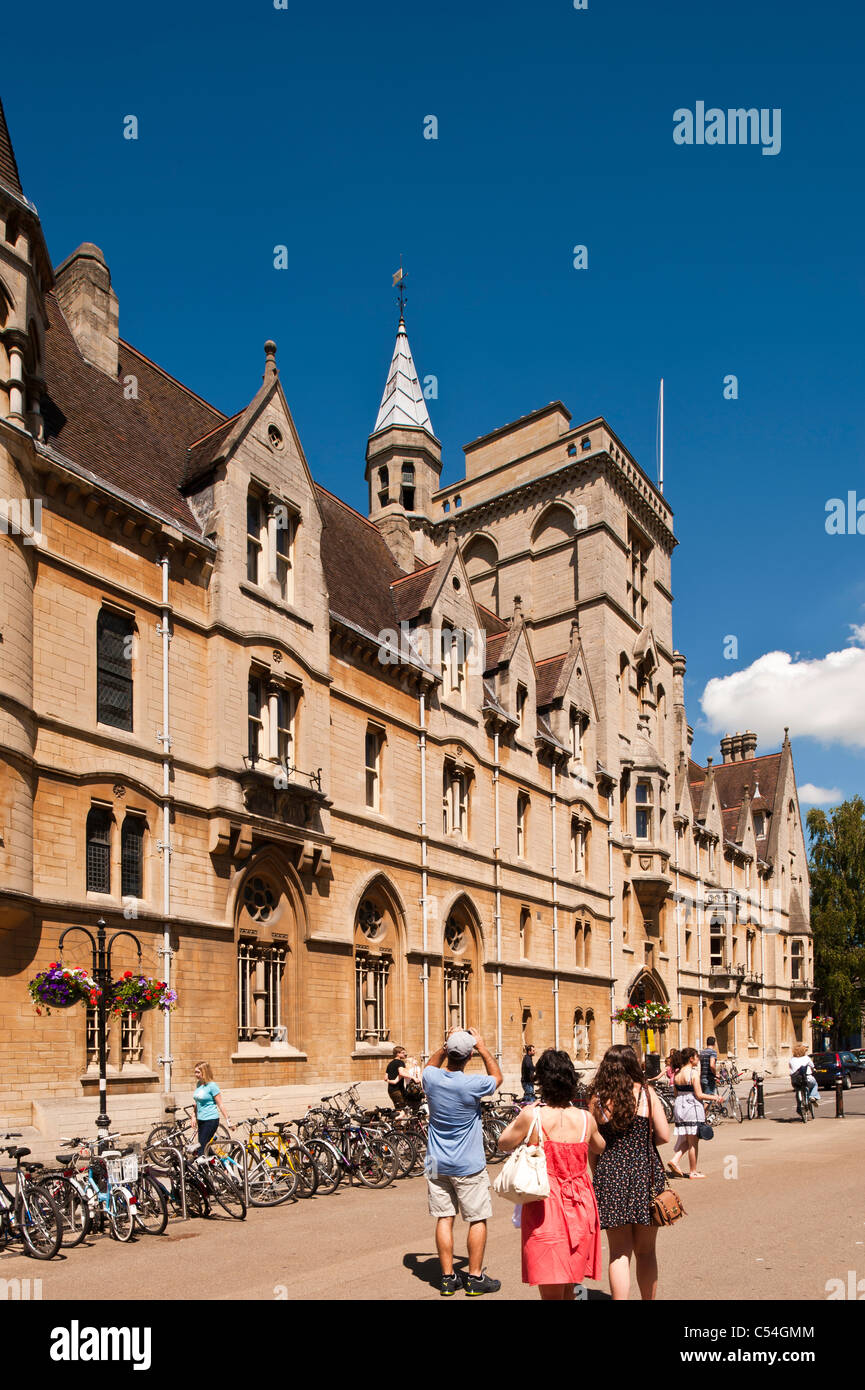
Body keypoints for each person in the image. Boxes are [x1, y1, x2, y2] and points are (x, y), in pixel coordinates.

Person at [499, 1049, 605, 1301]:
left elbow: (504, 1142)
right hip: (580, 1202)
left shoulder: (532, 1115)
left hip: (546, 1204)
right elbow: (599, 1146)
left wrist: (524, 1118)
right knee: (570, 1280)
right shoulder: (585, 1118)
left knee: (550, 1284)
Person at [422, 1027, 503, 1296]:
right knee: (477, 1218)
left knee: (444, 1218)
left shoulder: (431, 1079)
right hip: (467, 1163)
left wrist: (446, 1046)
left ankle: (447, 1278)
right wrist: (481, 1046)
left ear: (449, 1053)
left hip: (435, 1161)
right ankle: (475, 1278)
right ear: (469, 1057)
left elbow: (430, 1065)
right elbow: (497, 1077)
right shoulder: (472, 1084)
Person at [588, 1044, 671, 1301]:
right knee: (646, 1251)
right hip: (645, 1172)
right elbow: (665, 1135)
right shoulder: (647, 1093)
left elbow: (592, 1144)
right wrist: (640, 1143)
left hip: (610, 1172)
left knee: (618, 1252)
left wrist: (598, 1173)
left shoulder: (598, 1098)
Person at [667, 1046, 708, 1179]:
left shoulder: (677, 1074)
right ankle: (693, 1171)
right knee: (693, 1142)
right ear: (691, 1059)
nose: (698, 1059)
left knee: (687, 1139)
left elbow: (675, 1093)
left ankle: (675, 1160)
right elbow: (699, 1095)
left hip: (680, 1107)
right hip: (692, 1107)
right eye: (697, 1057)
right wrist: (715, 1097)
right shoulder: (693, 1073)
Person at [192, 1061, 232, 1154]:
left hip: (211, 1120)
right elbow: (196, 1103)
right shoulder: (198, 1084)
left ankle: (202, 1168)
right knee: (206, 1147)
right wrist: (193, 1116)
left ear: (204, 1072)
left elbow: (220, 1104)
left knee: (201, 1148)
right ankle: (221, 1166)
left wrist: (228, 1121)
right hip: (201, 1119)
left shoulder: (212, 1086)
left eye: (198, 1072)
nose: (196, 1074)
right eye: (195, 1072)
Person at [385, 1045, 411, 1110]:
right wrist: (413, 1077)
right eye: (403, 1053)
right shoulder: (400, 1062)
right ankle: (395, 1119)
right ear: (398, 1054)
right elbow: (401, 1073)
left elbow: (385, 1078)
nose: (405, 1054)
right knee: (403, 1110)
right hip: (398, 1090)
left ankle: (394, 1119)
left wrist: (390, 1081)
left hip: (391, 1090)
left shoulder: (390, 1064)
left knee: (399, 1109)